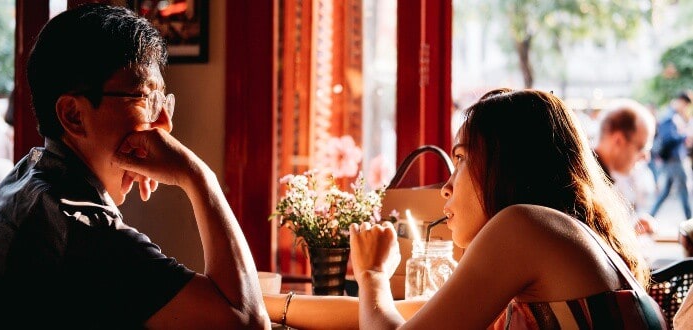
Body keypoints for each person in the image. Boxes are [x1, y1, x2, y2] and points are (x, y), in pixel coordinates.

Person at [264, 89, 666, 329]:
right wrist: (261, 303)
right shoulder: (559, 235)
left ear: (505, 165)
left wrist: (371, 274)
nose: (446, 186)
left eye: (461, 159)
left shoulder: (523, 226)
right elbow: (378, 314)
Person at [0, 4, 269, 328]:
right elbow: (246, 320)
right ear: (73, 115)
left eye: (163, 102)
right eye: (145, 99)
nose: (164, 124)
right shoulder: (85, 231)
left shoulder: (29, 176)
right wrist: (199, 177)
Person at [594, 100, 657, 235]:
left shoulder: (595, 174)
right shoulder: (587, 184)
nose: (646, 157)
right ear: (618, 140)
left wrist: (629, 229)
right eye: (641, 148)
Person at [649, 92, 692, 221]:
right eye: (685, 105)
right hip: (674, 159)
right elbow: (668, 138)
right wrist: (684, 136)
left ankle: (650, 216)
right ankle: (690, 220)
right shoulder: (670, 116)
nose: (685, 108)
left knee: (666, 192)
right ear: (680, 102)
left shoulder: (673, 115)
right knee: (683, 190)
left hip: (673, 159)